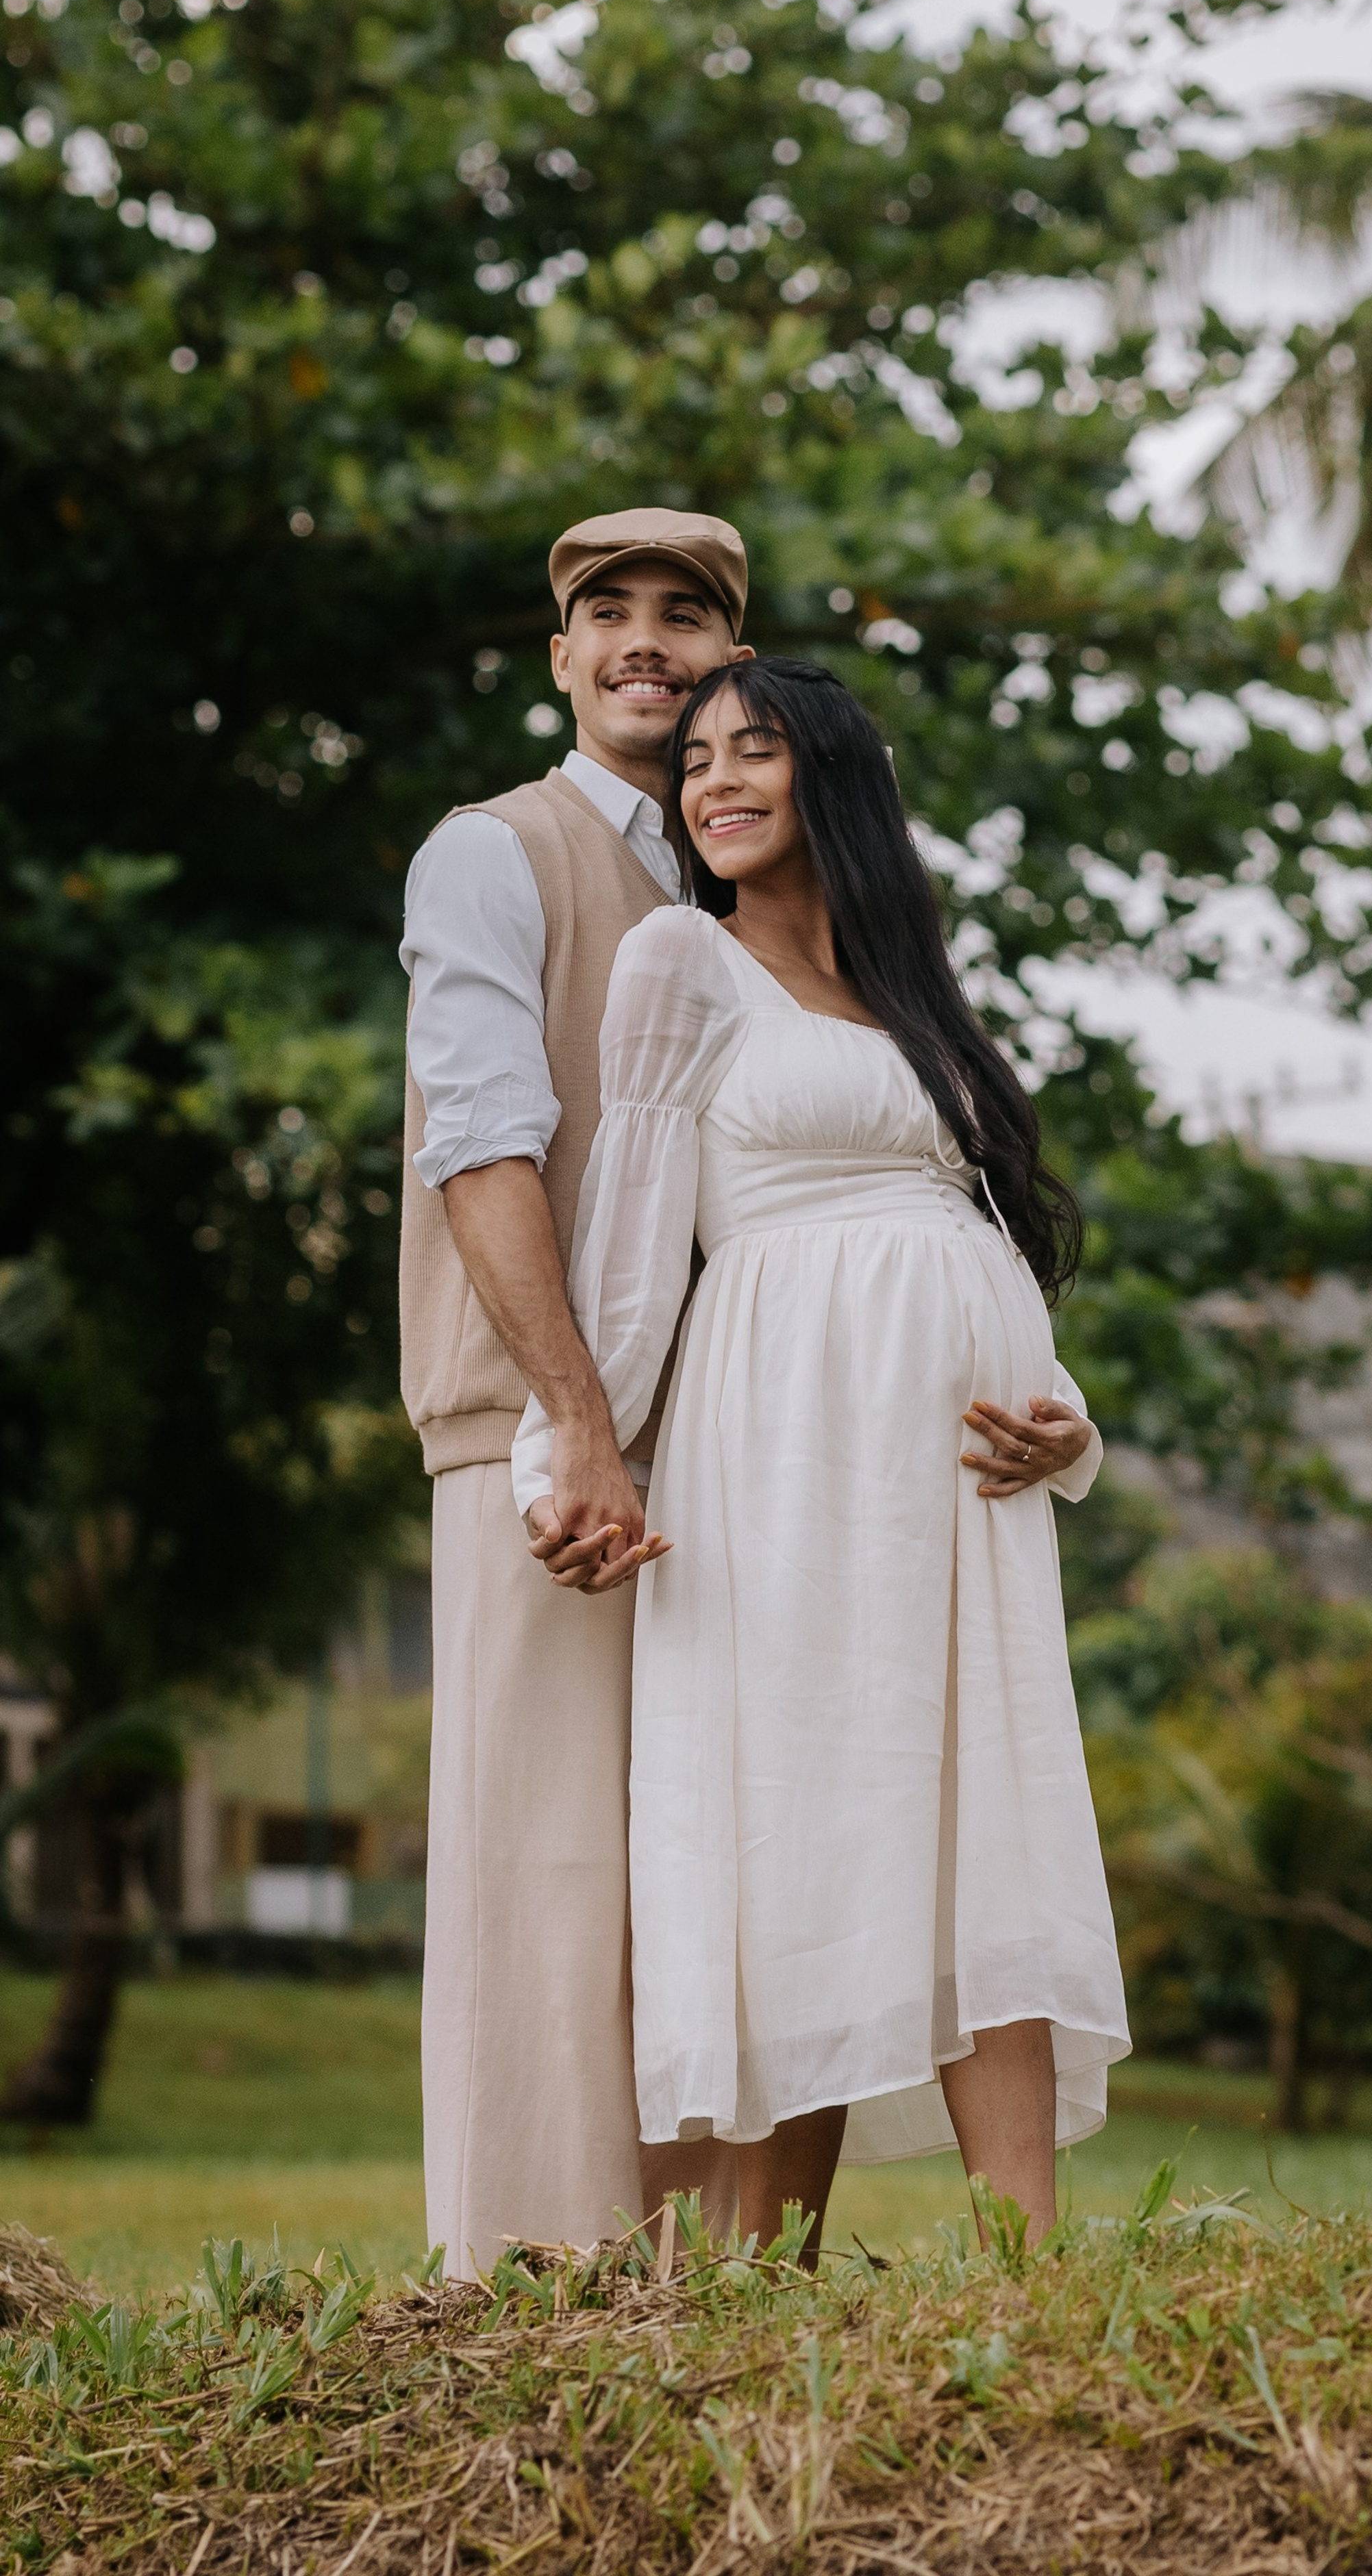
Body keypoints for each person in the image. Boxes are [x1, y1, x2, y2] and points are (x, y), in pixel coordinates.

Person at [512, 658, 1130, 2254]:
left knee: (975, 1833)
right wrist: (565, 1457)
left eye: (754, 752)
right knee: (805, 1830)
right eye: (694, 759)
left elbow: (971, 1231)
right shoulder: (678, 962)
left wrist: (1065, 1422)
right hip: (781, 1455)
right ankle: (750, 2280)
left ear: (832, 776)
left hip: (958, 1486)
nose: (713, 780)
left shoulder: (914, 991)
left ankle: (1028, 2278)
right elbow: (633, 1253)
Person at [399, 507, 753, 2279]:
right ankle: (527, 2322)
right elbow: (483, 1147)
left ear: (727, 662)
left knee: (692, 1892)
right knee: (543, 1896)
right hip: (548, 1457)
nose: (641, 640)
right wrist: (584, 1430)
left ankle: (688, 2318)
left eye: (681, 614)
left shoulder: (752, 894)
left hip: (728, 1469)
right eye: (605, 613)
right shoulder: (494, 853)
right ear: (560, 659)